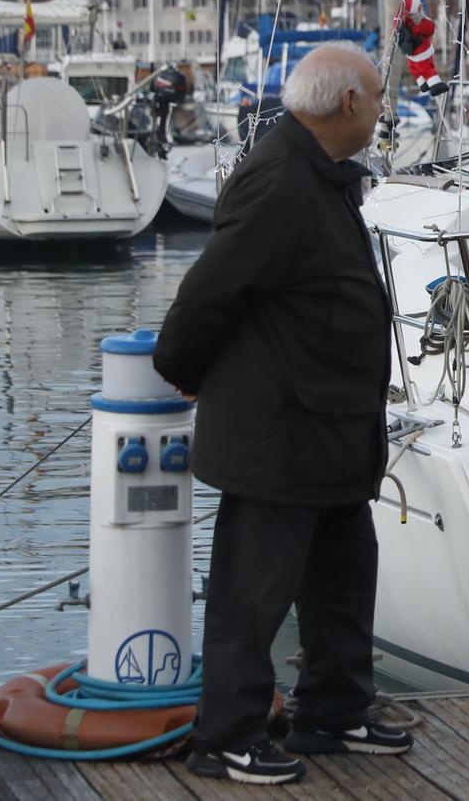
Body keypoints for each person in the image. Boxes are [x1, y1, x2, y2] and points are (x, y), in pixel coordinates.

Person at [153, 42, 412, 785]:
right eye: (376, 93)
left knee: (342, 573)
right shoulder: (277, 177)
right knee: (253, 589)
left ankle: (334, 709)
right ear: (348, 104)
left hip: (329, 426)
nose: (382, 105)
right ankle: (225, 735)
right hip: (281, 428)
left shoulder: (318, 173)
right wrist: (181, 368)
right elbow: (212, 290)